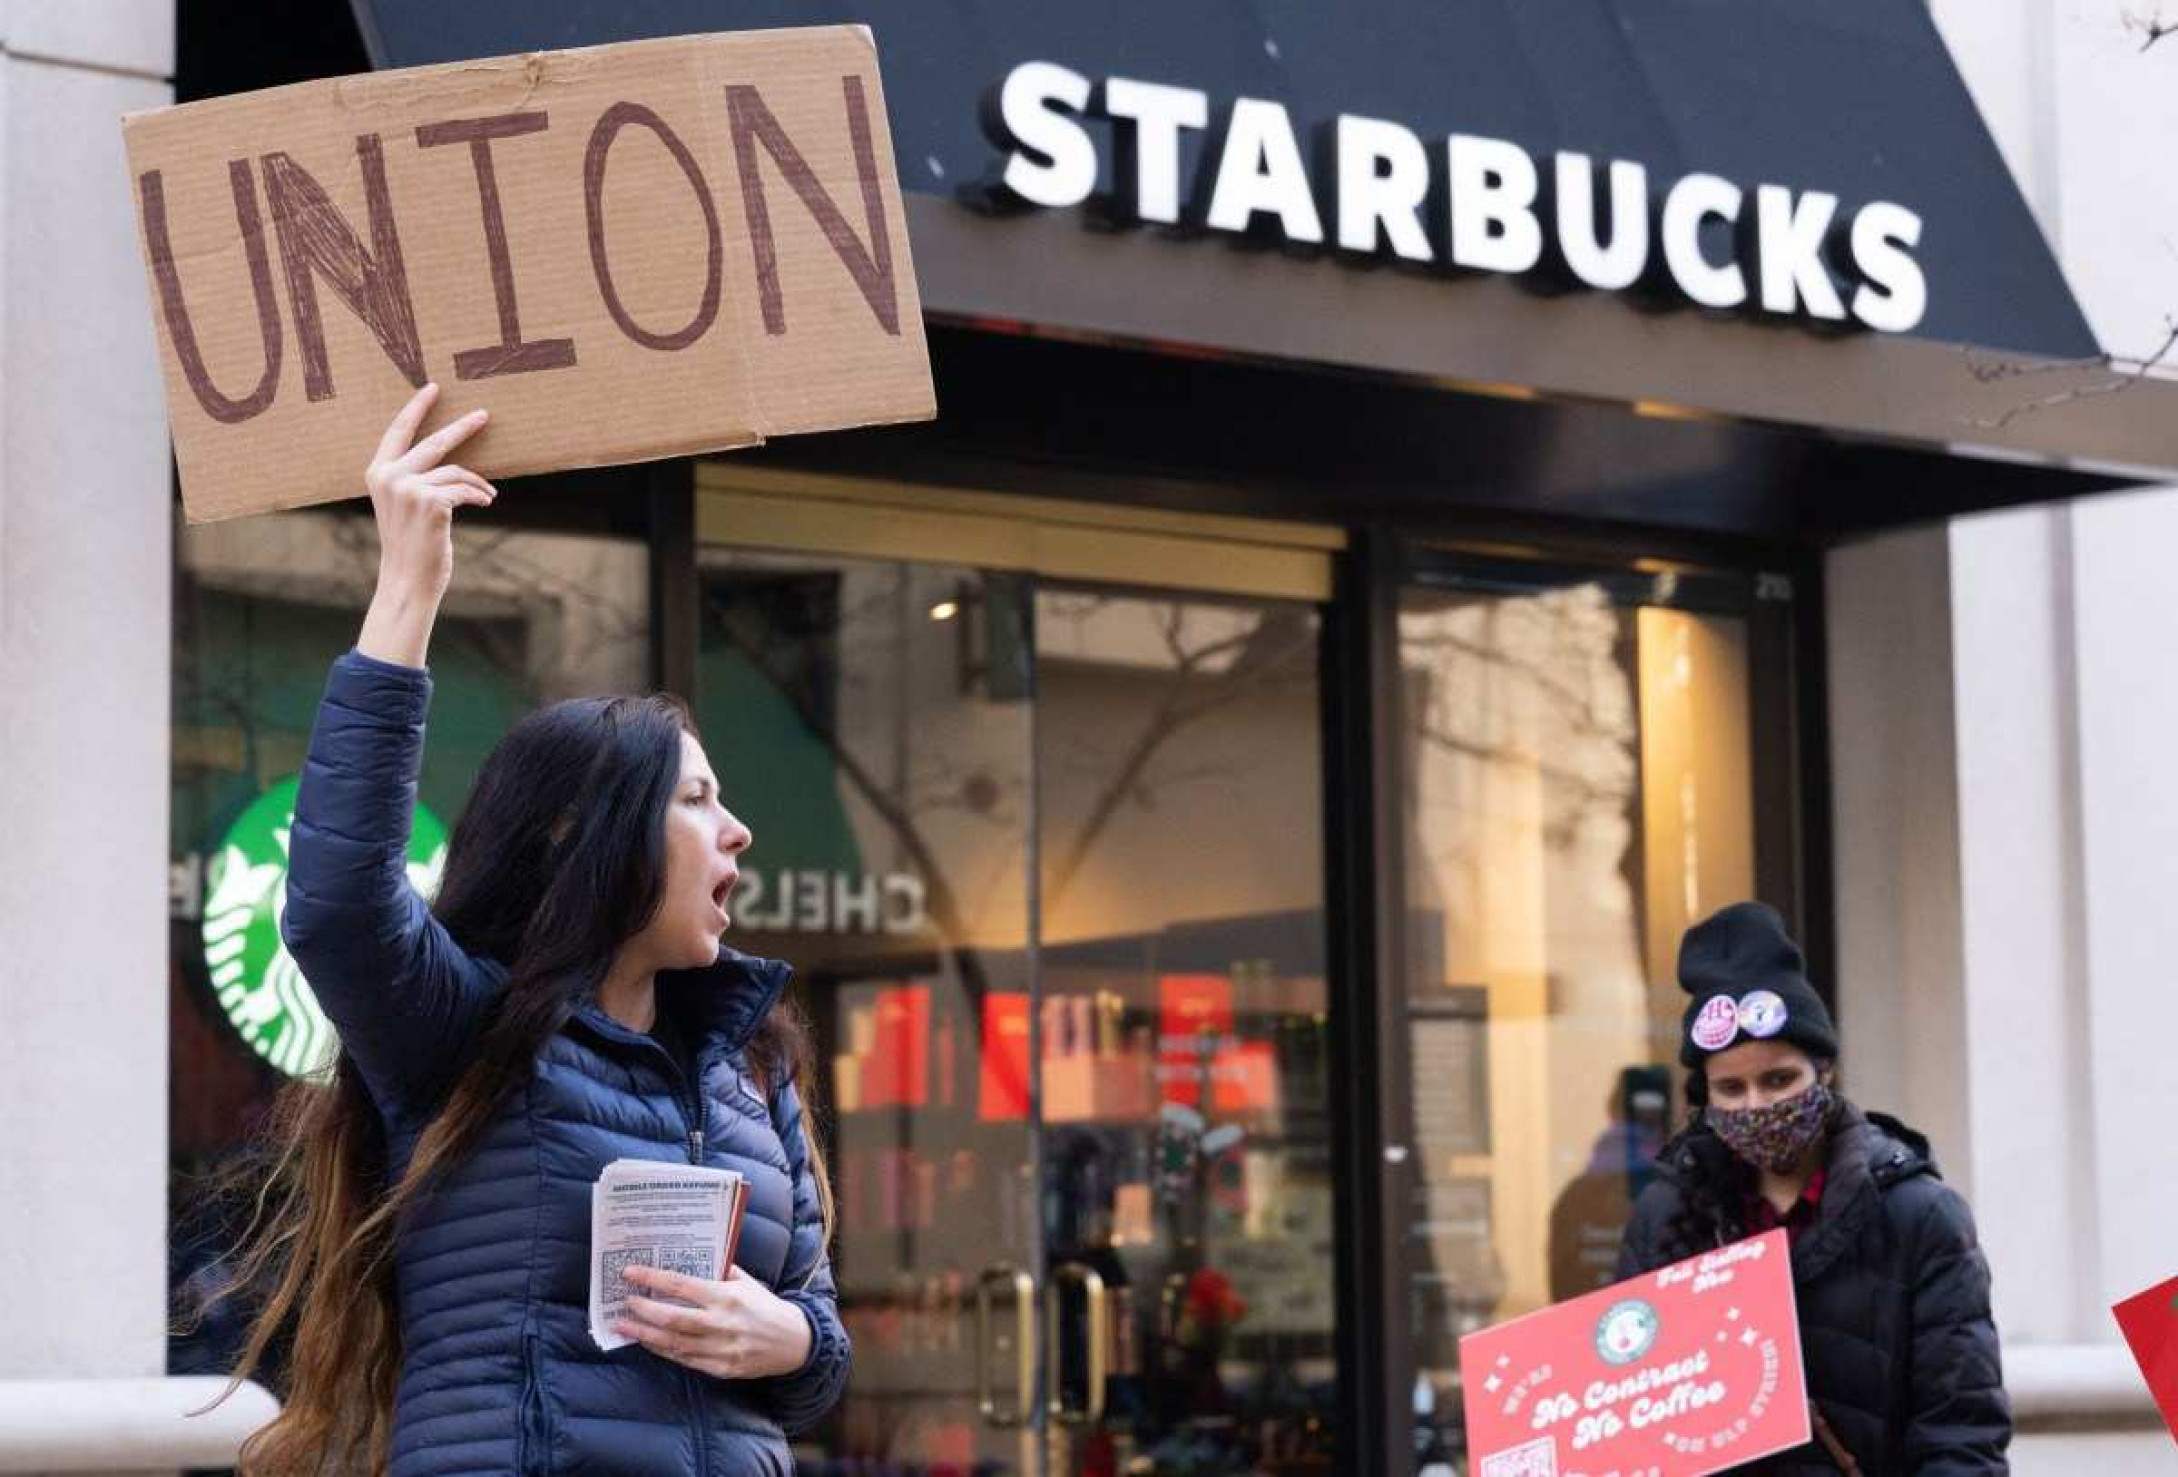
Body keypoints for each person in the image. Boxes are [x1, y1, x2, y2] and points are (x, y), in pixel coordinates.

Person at [211, 384, 848, 1474]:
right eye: (695, 800)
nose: (737, 832)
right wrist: (408, 585)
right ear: (579, 836)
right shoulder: (462, 1032)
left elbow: (817, 1347)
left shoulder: (753, 1062)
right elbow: (335, 899)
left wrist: (787, 1337)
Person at [1617, 902, 2009, 1474]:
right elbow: (1629, 1417)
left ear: (1823, 1072)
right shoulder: (1664, 1215)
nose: (1757, 1105)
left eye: (1779, 1079)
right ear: (1706, 1098)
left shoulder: (1919, 1216)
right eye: (1731, 1088)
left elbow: (1961, 1429)